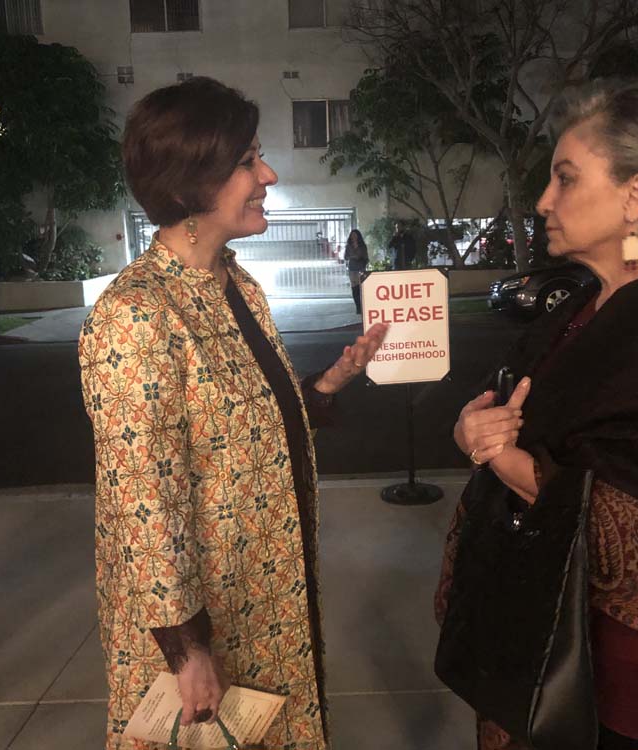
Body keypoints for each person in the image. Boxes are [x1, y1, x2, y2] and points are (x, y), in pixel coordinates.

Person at [436, 79, 638, 750]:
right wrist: (475, 429)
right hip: (537, 616)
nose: (543, 202)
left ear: (635, 196)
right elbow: (502, 403)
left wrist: (499, 456)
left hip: (604, 655)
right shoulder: (591, 301)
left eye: (564, 179)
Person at [78, 77, 387, 750]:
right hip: (200, 626)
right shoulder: (135, 315)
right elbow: (143, 500)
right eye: (249, 160)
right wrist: (185, 652)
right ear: (192, 185)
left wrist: (328, 383)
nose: (268, 174)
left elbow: (244, 428)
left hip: (266, 594)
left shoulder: (236, 283)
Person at [344, 228, 369, 314]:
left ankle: (361, 306)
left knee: (360, 287)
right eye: (352, 235)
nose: (353, 237)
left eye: (355, 235)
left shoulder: (362, 246)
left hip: (360, 268)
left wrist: (362, 264)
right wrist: (351, 257)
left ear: (358, 236)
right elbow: (345, 257)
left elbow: (366, 258)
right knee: (354, 288)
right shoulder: (348, 246)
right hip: (352, 268)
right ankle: (357, 307)